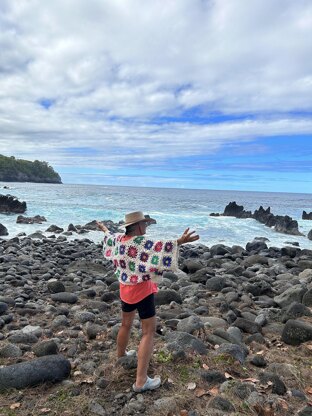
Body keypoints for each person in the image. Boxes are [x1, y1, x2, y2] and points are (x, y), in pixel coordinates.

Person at [97, 211, 199, 393]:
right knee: (148, 332)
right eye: (144, 224)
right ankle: (141, 381)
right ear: (137, 226)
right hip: (142, 291)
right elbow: (162, 247)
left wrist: (103, 228)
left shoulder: (120, 239)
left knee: (125, 324)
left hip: (125, 289)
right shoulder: (140, 243)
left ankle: (121, 355)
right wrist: (181, 241)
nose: (146, 226)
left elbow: (109, 237)